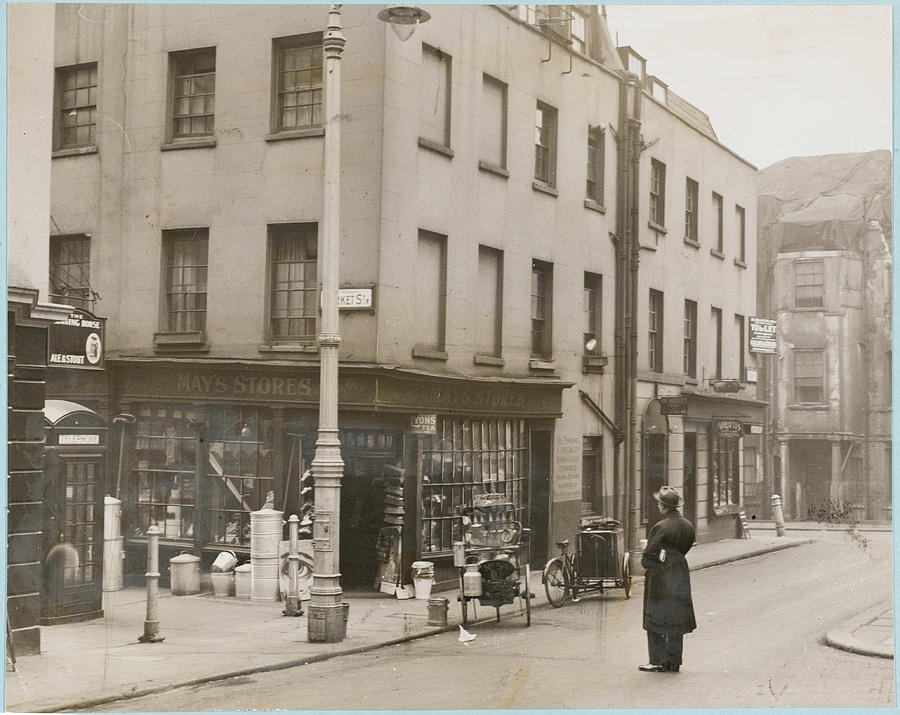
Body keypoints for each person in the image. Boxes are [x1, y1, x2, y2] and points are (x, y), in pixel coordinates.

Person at [638, 485, 696, 673]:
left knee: (655, 617)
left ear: (664, 507)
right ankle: (674, 661)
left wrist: (646, 553)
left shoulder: (660, 527)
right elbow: (685, 547)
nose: (658, 507)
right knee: (676, 616)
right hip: (680, 572)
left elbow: (649, 557)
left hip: (660, 575)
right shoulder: (688, 525)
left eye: (659, 504)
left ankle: (656, 660)